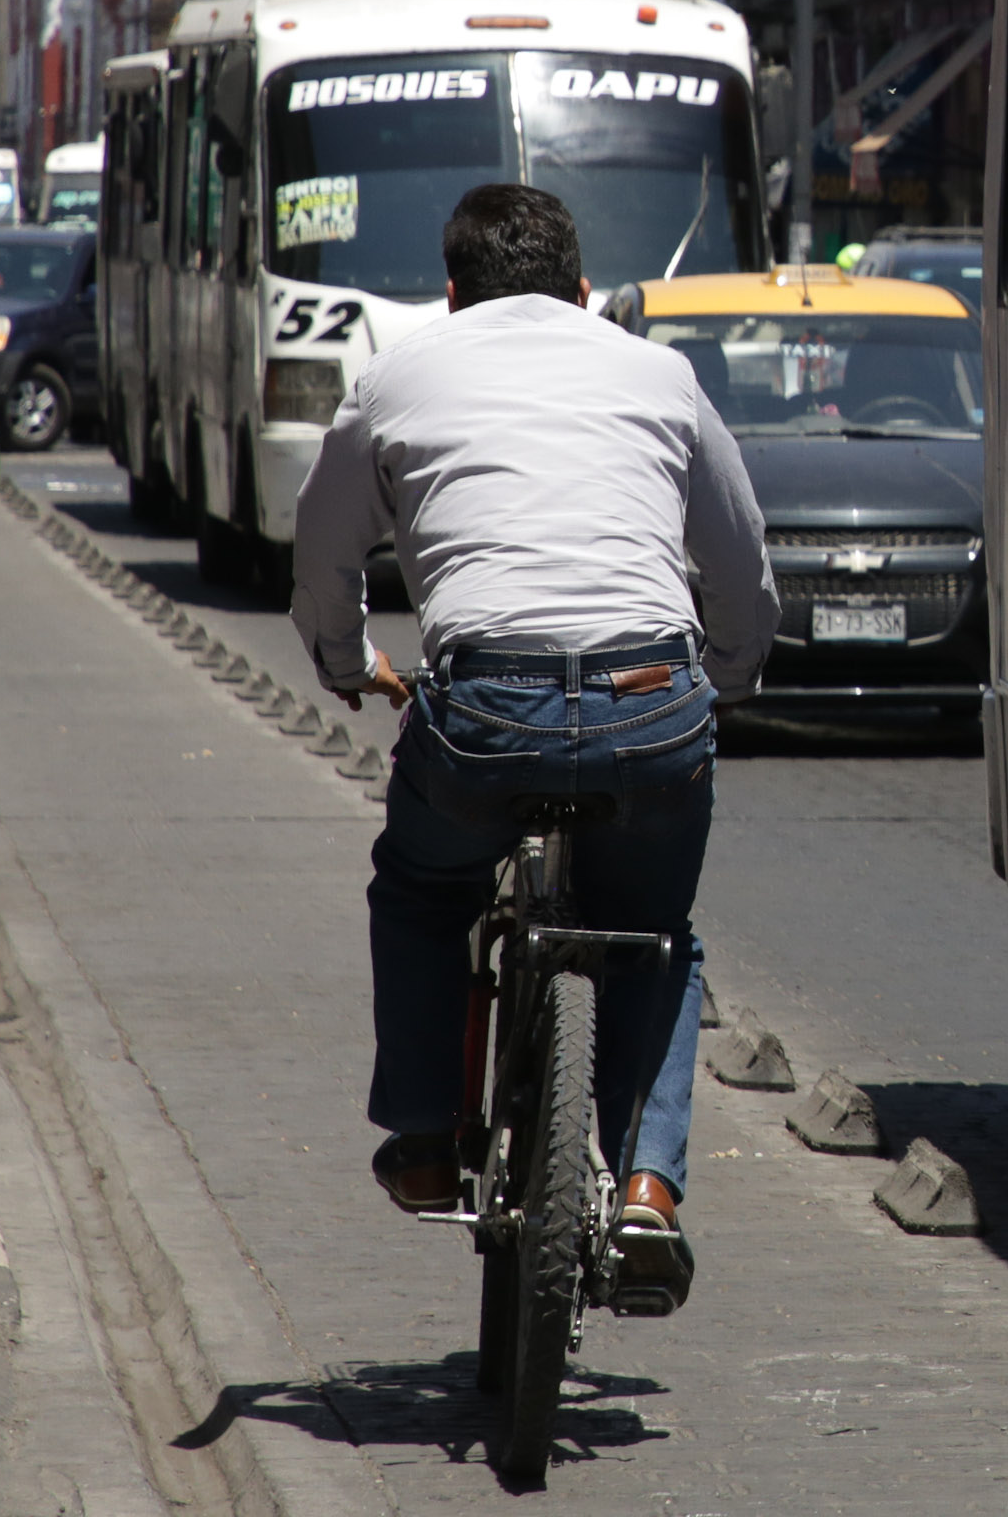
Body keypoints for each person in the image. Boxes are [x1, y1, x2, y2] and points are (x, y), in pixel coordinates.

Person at [289, 182, 776, 1269]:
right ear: (586, 290)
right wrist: (730, 674)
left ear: (454, 294)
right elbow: (741, 565)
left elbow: (322, 551)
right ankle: (648, 1182)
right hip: (652, 705)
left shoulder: (398, 376)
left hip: (478, 714)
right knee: (655, 934)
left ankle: (424, 1138)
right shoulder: (660, 373)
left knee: (422, 890)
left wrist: (344, 661)